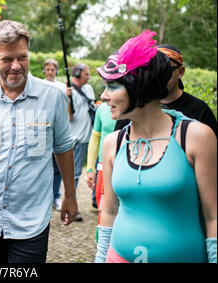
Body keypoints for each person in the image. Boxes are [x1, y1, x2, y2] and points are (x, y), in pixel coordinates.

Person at [0, 20, 78, 263]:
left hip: (31, 220)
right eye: (7, 59)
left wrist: (70, 196)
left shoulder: (52, 97)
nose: (16, 66)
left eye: (22, 57)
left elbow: (63, 147)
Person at [94, 30, 217, 263]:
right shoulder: (114, 142)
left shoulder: (196, 136)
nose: (104, 96)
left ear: (140, 87)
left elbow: (213, 216)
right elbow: (109, 211)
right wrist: (100, 260)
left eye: (113, 86)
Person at [114, 44, 217, 136]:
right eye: (153, 71)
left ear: (180, 72)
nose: (158, 77)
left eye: (165, 71)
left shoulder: (199, 110)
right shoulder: (135, 108)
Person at [42, 58, 73, 211]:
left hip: (58, 129)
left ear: (56, 71)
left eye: (52, 70)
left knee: (58, 168)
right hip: (46, 129)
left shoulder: (62, 87)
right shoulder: (40, 86)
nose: (50, 72)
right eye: (47, 69)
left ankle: (56, 196)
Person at [69, 62, 96, 222]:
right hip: (76, 139)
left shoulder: (89, 89)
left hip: (90, 137)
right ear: (78, 74)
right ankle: (72, 207)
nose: (89, 76)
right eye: (86, 73)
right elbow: (69, 117)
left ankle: (95, 201)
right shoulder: (68, 91)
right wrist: (67, 99)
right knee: (74, 175)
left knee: (94, 171)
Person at [85, 102, 115, 224]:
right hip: (103, 167)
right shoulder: (102, 108)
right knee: (102, 213)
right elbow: (95, 138)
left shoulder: (137, 107)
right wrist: (90, 169)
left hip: (128, 167)